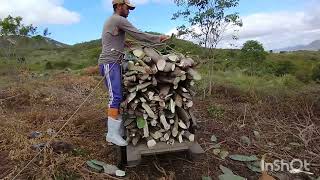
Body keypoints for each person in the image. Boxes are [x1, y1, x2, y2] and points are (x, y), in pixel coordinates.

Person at [98, 0, 169, 146]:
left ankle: (117, 131)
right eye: (127, 8)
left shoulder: (112, 21)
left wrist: (124, 43)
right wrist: (158, 38)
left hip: (114, 62)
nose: (129, 11)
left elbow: (109, 39)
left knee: (118, 95)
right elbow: (139, 34)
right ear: (118, 6)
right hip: (109, 63)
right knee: (115, 97)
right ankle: (111, 134)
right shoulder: (118, 19)